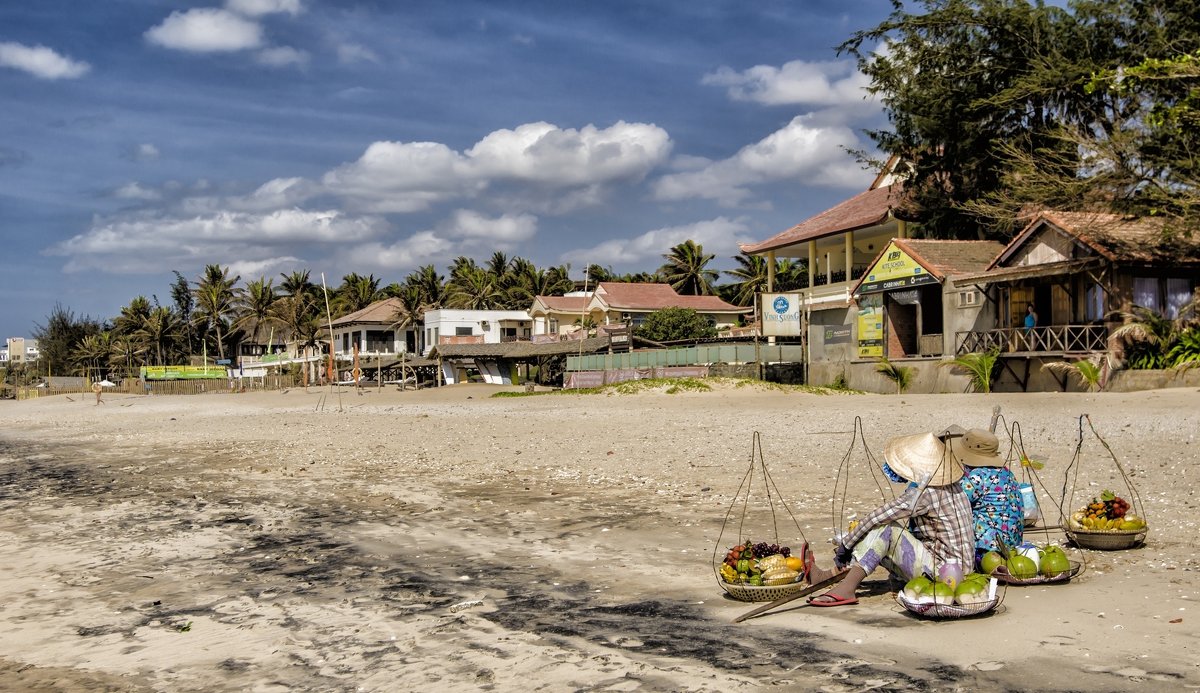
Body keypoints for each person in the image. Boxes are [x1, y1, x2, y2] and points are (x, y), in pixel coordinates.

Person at [803, 431, 975, 607]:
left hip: (945, 574)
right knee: (879, 537)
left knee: (886, 529)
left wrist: (846, 545)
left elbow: (879, 516)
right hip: (961, 569)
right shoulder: (955, 487)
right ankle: (830, 575)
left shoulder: (926, 493)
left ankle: (847, 587)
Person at [950, 428, 1024, 568]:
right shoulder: (1008, 474)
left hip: (988, 552)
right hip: (1013, 548)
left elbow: (954, 503)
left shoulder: (977, 476)